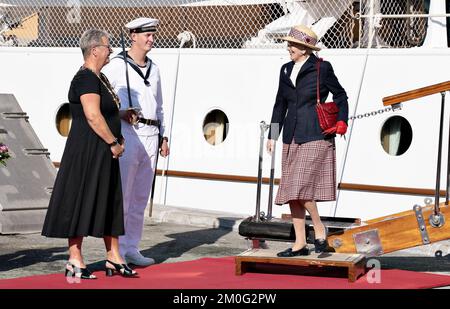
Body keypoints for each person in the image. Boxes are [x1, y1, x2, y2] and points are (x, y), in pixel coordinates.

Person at [42, 29, 137, 278]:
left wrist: (121, 115)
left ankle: (113, 256)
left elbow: (104, 111)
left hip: (103, 151)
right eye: (108, 47)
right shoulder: (85, 78)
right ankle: (75, 258)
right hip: (87, 151)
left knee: (109, 199)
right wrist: (114, 142)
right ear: (95, 49)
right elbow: (92, 116)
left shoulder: (100, 78)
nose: (111, 51)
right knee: (80, 199)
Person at [267, 25, 349, 257]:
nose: (288, 47)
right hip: (291, 135)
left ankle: (319, 228)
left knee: (299, 187)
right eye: (288, 43)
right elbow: (279, 104)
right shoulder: (285, 69)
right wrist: (273, 135)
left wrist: (343, 121)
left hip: (315, 134)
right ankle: (300, 243)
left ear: (305, 48)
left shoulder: (322, 67)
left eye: (292, 44)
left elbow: (341, 95)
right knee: (292, 191)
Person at [103, 17, 169, 266]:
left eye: (153, 35)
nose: (152, 39)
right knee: (125, 195)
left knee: (141, 197)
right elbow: (103, 100)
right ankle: (115, 249)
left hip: (152, 135)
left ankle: (132, 247)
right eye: (147, 35)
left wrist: (164, 135)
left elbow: (160, 106)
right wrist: (119, 114)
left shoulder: (155, 69)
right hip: (129, 133)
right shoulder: (116, 66)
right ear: (133, 36)